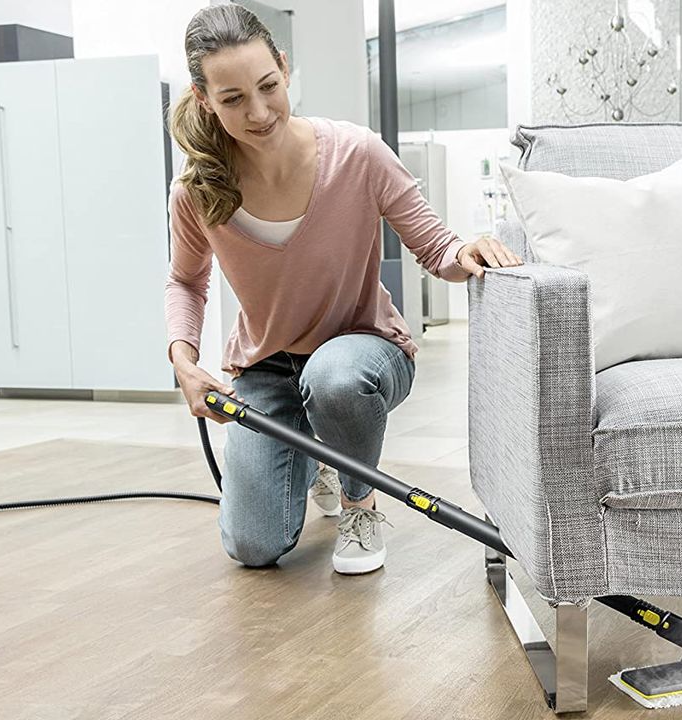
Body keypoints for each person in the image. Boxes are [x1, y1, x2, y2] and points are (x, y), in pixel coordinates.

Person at [164, 4, 521, 574]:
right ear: (204, 97)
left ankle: (358, 502)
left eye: (268, 86)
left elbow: (436, 247)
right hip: (267, 366)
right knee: (253, 547)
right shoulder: (197, 191)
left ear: (284, 67)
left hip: (363, 352)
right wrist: (184, 363)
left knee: (333, 378)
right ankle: (320, 458)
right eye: (232, 99)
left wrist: (466, 252)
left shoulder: (356, 153)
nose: (258, 112)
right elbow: (186, 280)